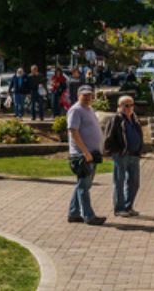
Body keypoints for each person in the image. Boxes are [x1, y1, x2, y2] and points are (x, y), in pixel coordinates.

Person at [65, 85, 106, 225]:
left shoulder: (89, 109)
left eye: (90, 94)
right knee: (84, 186)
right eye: (85, 95)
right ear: (78, 95)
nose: (88, 97)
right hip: (82, 155)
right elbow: (73, 131)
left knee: (82, 185)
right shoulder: (76, 110)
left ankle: (73, 213)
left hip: (92, 154)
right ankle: (89, 216)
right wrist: (85, 152)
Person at [103, 95, 144, 217]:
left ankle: (128, 206)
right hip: (121, 155)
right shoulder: (116, 119)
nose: (129, 108)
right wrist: (116, 151)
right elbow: (108, 138)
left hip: (134, 155)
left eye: (131, 105)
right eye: (126, 105)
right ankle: (119, 208)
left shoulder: (134, 118)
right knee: (119, 182)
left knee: (134, 183)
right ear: (119, 106)